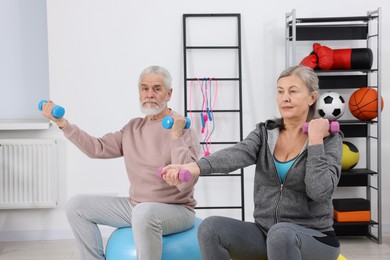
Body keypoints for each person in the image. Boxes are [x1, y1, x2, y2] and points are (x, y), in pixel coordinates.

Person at [161, 65, 343, 260]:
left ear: (312, 98)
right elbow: (236, 154)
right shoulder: (265, 133)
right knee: (210, 228)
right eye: (280, 91)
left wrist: (315, 140)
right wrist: (192, 167)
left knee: (281, 234)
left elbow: (319, 190)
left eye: (293, 91)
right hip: (266, 233)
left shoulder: (330, 139)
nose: (285, 98)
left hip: (314, 237)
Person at [41, 65, 200, 260]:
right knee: (77, 206)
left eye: (156, 89)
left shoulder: (183, 129)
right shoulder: (133, 128)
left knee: (143, 212)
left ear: (169, 93)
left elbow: (186, 186)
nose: (149, 94)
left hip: (176, 210)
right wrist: (63, 123)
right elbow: (96, 148)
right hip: (135, 206)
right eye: (144, 88)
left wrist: (176, 136)